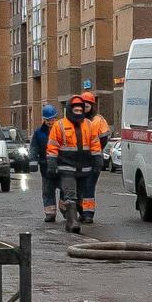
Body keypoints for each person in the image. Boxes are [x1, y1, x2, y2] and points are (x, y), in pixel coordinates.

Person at [46, 95, 102, 234]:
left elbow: (95, 144)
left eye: (80, 110)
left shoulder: (89, 125)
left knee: (80, 196)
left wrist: (98, 158)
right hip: (67, 168)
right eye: (75, 110)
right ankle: (72, 222)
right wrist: (52, 162)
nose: (78, 113)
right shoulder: (59, 125)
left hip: (85, 168)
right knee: (70, 194)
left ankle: (78, 214)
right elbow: (52, 146)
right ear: (70, 110)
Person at [79, 91, 110, 224]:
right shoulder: (77, 120)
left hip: (93, 159)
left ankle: (88, 214)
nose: (85, 109)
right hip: (79, 159)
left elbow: (104, 138)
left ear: (92, 106)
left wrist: (95, 150)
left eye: (87, 106)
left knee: (89, 186)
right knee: (79, 186)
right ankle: (82, 211)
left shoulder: (98, 120)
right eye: (83, 106)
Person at [29, 104, 59, 222]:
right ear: (44, 119)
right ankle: (50, 213)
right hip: (45, 166)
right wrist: (33, 161)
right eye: (48, 120)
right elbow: (34, 147)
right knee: (48, 190)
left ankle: (66, 210)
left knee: (65, 188)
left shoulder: (61, 130)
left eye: (52, 119)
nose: (50, 122)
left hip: (61, 164)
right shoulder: (39, 133)